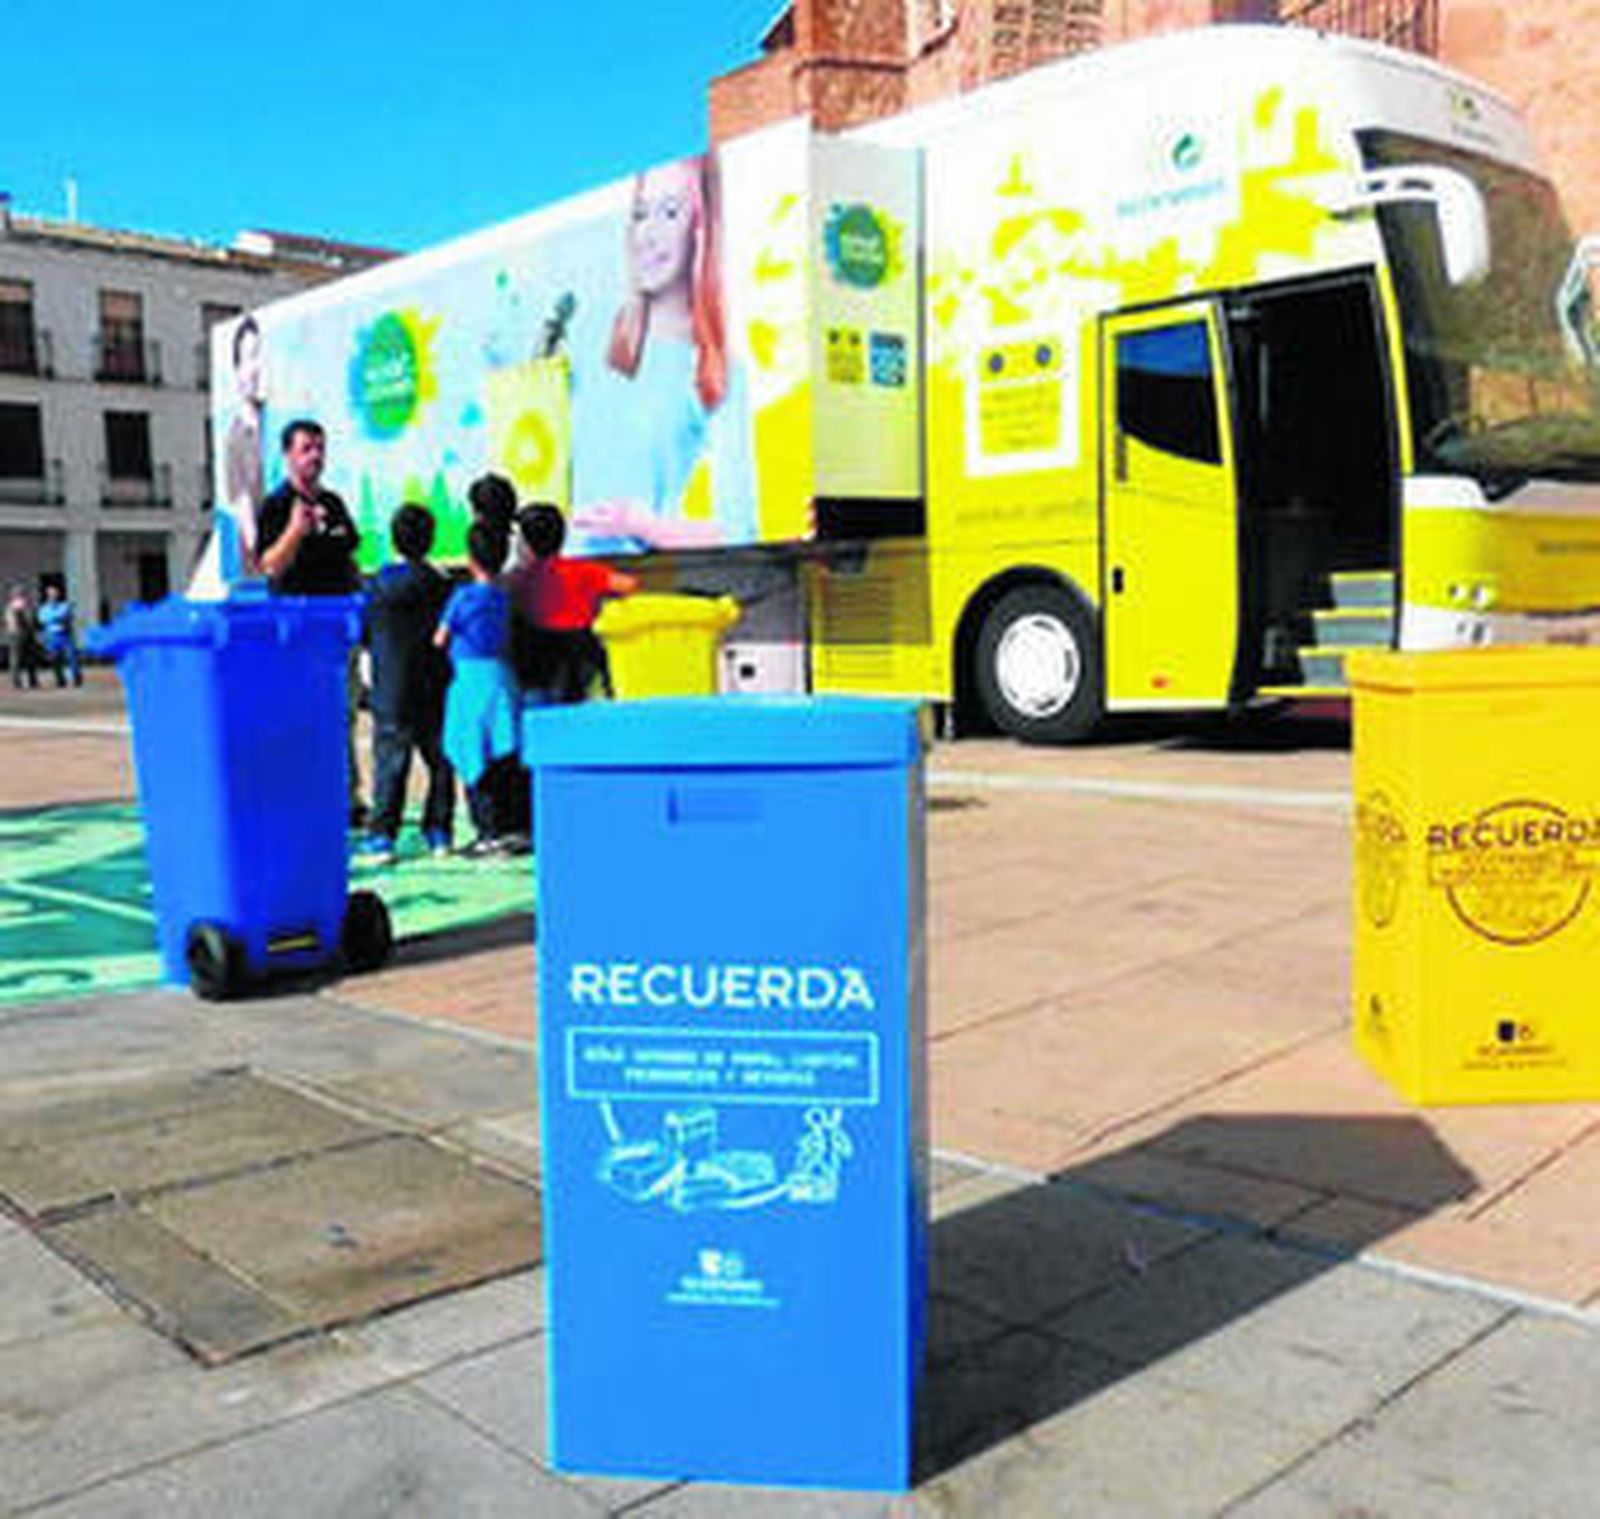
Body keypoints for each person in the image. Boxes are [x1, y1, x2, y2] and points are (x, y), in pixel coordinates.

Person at [571, 156, 756, 552]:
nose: (648, 234)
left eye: (670, 212)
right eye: (640, 214)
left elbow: (741, 529)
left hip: (639, 587)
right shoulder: (591, 332)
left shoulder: (719, 370)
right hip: (560, 589)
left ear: (701, 227)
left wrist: (646, 526)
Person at [256, 419, 367, 824]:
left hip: (338, 629)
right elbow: (269, 565)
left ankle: (349, 798)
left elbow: (350, 556)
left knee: (344, 714)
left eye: (320, 448)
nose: (315, 456)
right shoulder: (276, 505)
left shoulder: (334, 504)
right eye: (306, 448)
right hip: (298, 631)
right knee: (302, 716)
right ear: (288, 455)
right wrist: (296, 530)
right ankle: (304, 793)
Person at [356, 504, 455, 865]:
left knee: (391, 761)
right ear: (429, 539)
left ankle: (383, 835)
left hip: (392, 685)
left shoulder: (378, 586)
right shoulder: (442, 584)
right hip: (434, 682)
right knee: (440, 759)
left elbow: (363, 631)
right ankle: (439, 830)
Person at [435, 520, 526, 856]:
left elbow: (440, 638)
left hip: (470, 682)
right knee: (502, 752)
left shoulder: (462, 597)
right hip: (502, 679)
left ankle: (486, 831)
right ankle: (507, 827)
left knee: (471, 750)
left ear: (471, 558)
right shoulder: (503, 597)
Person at [507, 503, 638, 706]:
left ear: (524, 544)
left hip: (538, 665)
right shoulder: (582, 570)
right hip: (581, 657)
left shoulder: (519, 579)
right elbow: (628, 585)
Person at [222, 315, 267, 574]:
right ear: (237, 369)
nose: (256, 367)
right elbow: (243, 508)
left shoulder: (278, 423)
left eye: (259, 355)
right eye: (249, 357)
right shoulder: (236, 439)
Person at [35, 584, 81, 689]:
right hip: (52, 635)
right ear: (47, 595)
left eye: (55, 594)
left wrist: (56, 617)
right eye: (51, 594)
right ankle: (60, 680)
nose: (53, 596)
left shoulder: (63, 605)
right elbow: (42, 620)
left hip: (65, 634)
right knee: (55, 659)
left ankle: (77, 678)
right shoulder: (44, 608)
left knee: (72, 657)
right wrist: (58, 617)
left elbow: (68, 616)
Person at [5, 584, 39, 690]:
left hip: (24, 633)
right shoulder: (14, 606)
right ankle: (18, 682)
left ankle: (31, 681)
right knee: (17, 659)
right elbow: (14, 622)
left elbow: (32, 619)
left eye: (22, 592)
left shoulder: (24, 605)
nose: (22, 594)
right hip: (18, 634)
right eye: (20, 593)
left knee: (29, 658)